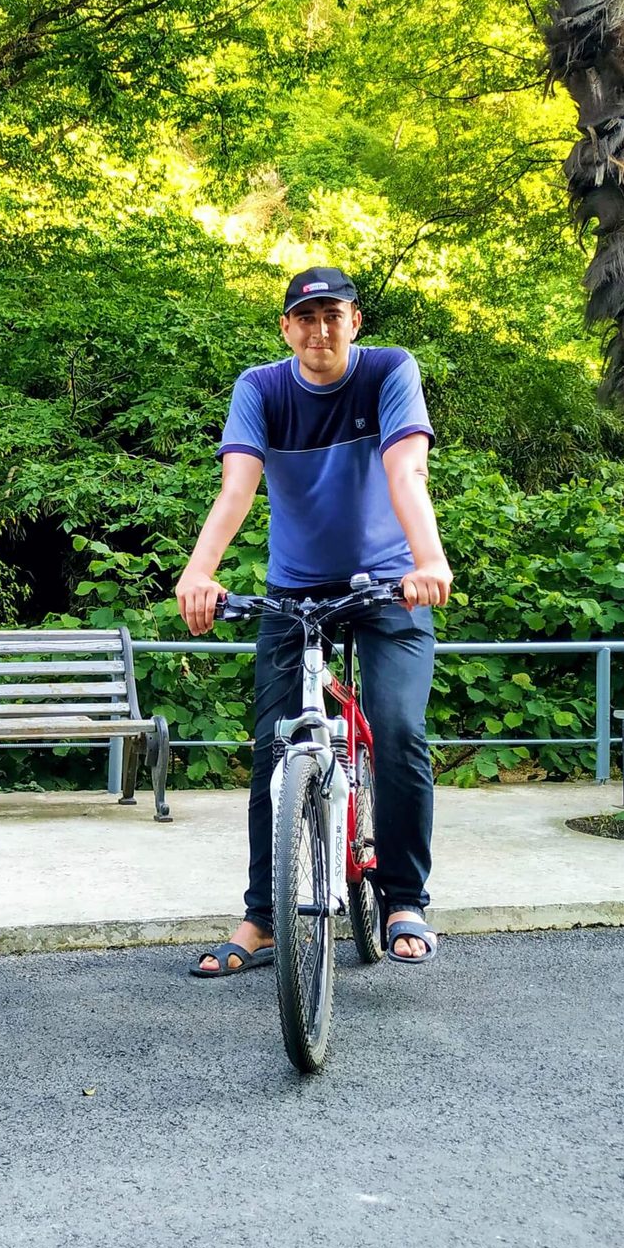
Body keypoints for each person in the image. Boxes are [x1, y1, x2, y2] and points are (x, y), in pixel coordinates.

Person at [175, 266, 452, 974]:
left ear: (355, 322)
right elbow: (237, 487)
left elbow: (406, 472)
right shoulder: (261, 389)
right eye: (306, 317)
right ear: (286, 328)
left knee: (397, 728)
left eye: (334, 315)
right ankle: (264, 919)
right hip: (295, 590)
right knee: (274, 744)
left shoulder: (388, 371)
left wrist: (428, 559)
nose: (320, 329)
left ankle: (403, 900)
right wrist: (200, 571)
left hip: (392, 585)